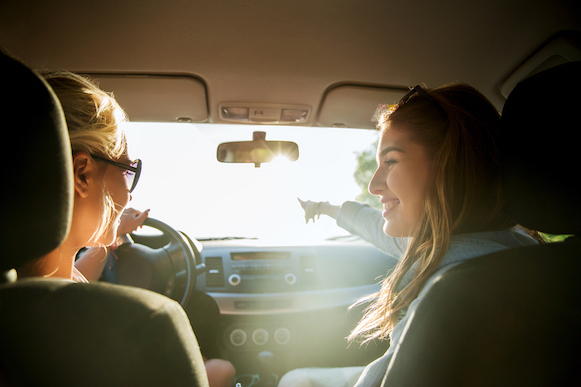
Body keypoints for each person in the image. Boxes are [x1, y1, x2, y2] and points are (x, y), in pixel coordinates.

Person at [281, 83, 541, 387]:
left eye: (390, 161)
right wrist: (325, 208)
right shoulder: (529, 251)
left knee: (295, 379)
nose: (373, 185)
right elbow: (377, 227)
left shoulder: (441, 283)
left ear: (450, 168)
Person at [17, 71, 235, 387]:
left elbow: (67, 282)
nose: (129, 193)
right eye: (128, 170)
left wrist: (110, 236)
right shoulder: (146, 323)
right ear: (82, 174)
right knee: (222, 370)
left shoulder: (26, 290)